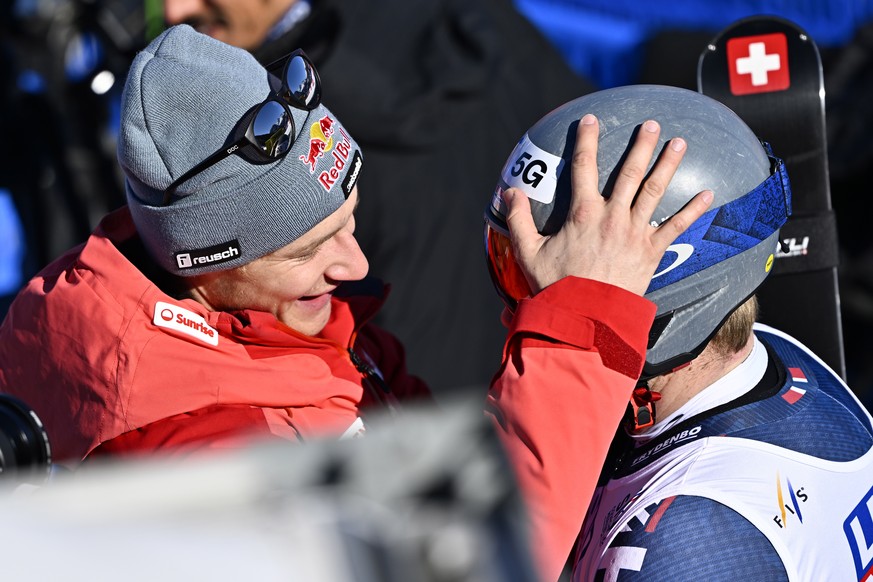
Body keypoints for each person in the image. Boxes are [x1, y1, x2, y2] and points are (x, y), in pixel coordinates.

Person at [0, 26, 713, 580]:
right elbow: (483, 558)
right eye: (307, 251)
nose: (355, 264)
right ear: (204, 267)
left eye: (348, 222)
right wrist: (579, 324)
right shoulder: (204, 452)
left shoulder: (252, 327)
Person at [484, 84, 873, 580]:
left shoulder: (682, 546)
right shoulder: (780, 356)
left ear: (667, 293)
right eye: (505, 264)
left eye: (537, 285)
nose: (513, 316)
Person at [161, 0, 597, 396]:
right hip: (572, 382)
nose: (174, 12)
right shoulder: (486, 26)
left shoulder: (260, 130)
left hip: (416, 422)